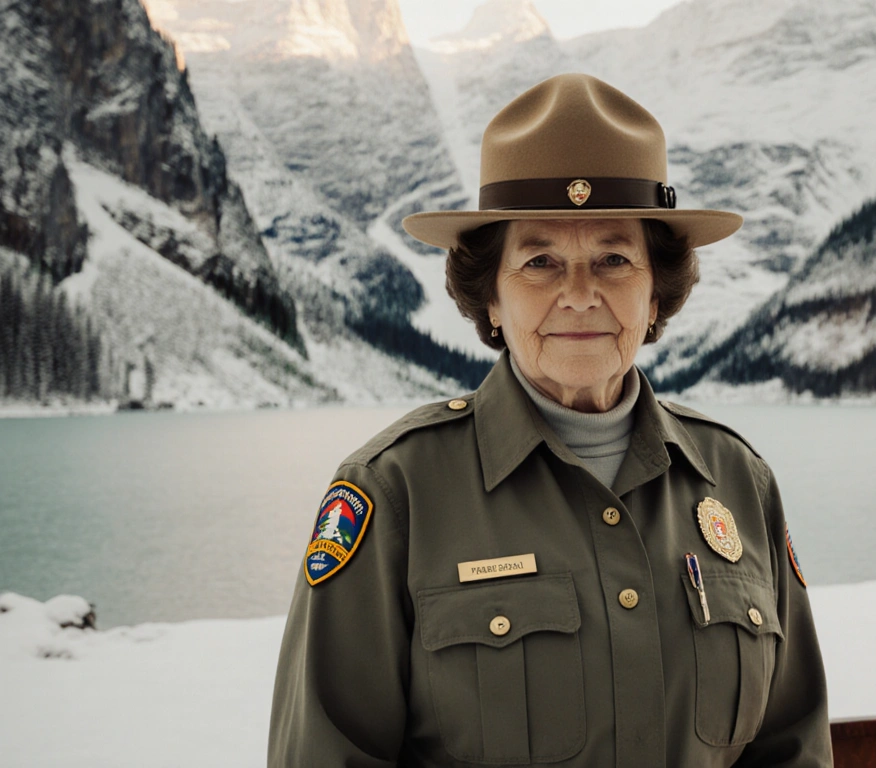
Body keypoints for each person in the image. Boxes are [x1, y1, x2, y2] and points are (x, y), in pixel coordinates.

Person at [268, 73, 832, 767]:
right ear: (491, 298)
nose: (580, 294)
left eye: (614, 259)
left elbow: (794, 749)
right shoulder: (394, 492)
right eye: (540, 262)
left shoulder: (739, 483)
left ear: (656, 294)